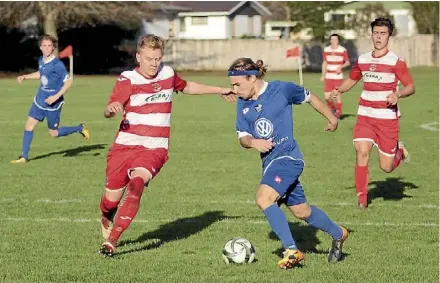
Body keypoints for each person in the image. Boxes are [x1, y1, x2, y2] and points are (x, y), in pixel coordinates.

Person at [98, 34, 236, 257]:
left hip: (154, 148)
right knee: (109, 201)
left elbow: (187, 86)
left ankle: (112, 242)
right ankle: (106, 216)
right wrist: (110, 109)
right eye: (149, 58)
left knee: (136, 185)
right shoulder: (127, 79)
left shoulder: (168, 74)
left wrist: (220, 90)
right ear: (138, 56)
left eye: (157, 59)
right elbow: (109, 109)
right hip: (124, 146)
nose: (154, 63)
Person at [230, 57, 349, 269]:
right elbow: (242, 136)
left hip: (289, 158)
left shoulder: (282, 89)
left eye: (237, 84)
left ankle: (291, 250)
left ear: (252, 77)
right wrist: (252, 142)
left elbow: (310, 97)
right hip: (270, 164)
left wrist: (331, 118)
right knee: (302, 212)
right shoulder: (242, 103)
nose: (234, 89)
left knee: (264, 198)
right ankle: (339, 233)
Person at [331, 18, 415, 208]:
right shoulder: (363, 59)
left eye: (383, 33)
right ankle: (362, 198)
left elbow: (411, 86)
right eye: (376, 32)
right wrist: (339, 89)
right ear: (372, 34)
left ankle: (399, 152)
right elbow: (352, 80)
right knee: (362, 152)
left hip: (386, 119)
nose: (378, 37)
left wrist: (398, 94)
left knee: (385, 167)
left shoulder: (396, 62)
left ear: (389, 36)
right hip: (365, 116)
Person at [12, 34, 89, 163]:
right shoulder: (42, 60)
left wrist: (55, 97)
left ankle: (80, 128)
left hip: (53, 104)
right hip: (40, 99)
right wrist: (25, 76)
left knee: (54, 133)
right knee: (29, 126)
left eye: (50, 46)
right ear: (40, 47)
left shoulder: (57, 65)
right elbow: (41, 74)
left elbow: (68, 82)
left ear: (53, 48)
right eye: (44, 46)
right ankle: (24, 157)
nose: (47, 48)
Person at [321, 33, 350, 119]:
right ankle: (333, 109)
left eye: (335, 39)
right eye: (332, 39)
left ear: (338, 41)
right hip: (329, 76)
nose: (334, 41)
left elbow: (347, 62)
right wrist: (323, 75)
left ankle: (338, 114)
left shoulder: (342, 50)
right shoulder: (326, 50)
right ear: (330, 40)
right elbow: (324, 63)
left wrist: (340, 67)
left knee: (337, 96)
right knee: (326, 97)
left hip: (338, 76)